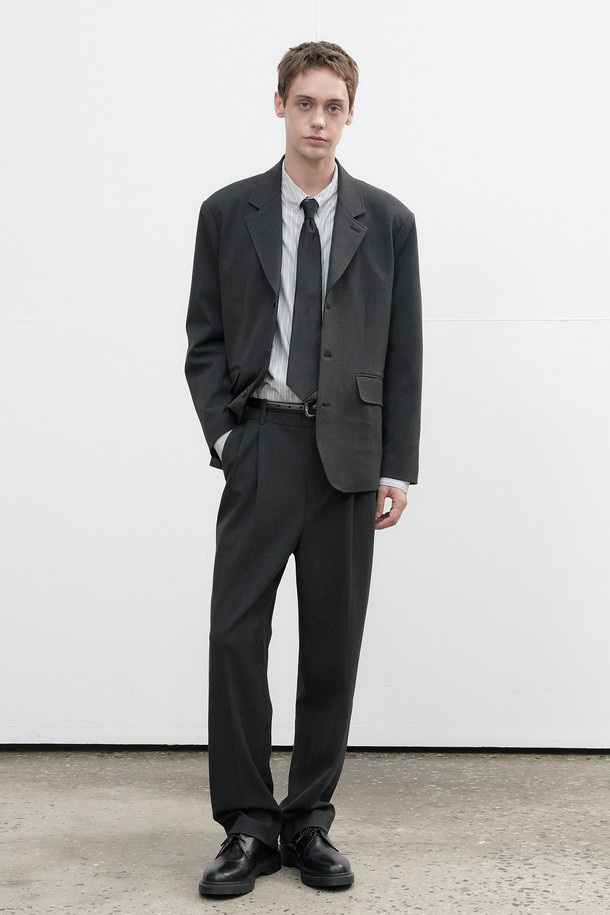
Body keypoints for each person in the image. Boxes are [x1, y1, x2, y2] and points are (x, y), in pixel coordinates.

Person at [185, 40, 422, 897]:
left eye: (333, 106)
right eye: (305, 104)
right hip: (262, 445)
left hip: (349, 459)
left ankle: (308, 819)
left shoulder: (387, 221)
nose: (318, 120)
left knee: (332, 645)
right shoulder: (228, 211)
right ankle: (247, 825)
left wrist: (398, 465)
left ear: (351, 113)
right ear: (280, 105)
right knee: (234, 637)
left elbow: (403, 351)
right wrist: (227, 439)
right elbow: (204, 339)